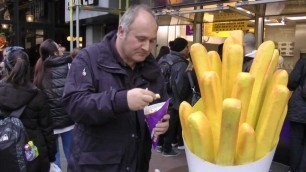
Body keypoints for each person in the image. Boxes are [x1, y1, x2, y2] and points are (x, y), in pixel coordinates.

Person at [62, 4, 170, 172]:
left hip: (137, 163)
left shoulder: (152, 68)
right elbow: (74, 105)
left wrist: (161, 122)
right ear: (121, 31)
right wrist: (121, 100)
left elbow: (160, 104)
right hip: (95, 166)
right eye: (141, 39)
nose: (147, 48)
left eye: (151, 41)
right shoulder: (89, 58)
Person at [0, 49, 56, 171]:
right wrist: (51, 157)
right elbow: (47, 130)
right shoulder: (38, 95)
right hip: (33, 154)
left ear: (7, 67)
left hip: (4, 152)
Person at [33, 39, 73, 169]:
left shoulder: (39, 67)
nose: (61, 48)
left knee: (54, 159)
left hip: (49, 123)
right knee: (72, 156)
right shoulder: (69, 66)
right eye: (59, 46)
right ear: (55, 51)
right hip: (69, 120)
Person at [158, 37, 191, 156]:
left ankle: (160, 145)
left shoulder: (163, 58)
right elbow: (180, 85)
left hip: (161, 96)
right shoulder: (181, 63)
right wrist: (181, 101)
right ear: (182, 48)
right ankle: (167, 149)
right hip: (174, 99)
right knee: (171, 124)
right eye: (187, 46)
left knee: (162, 120)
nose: (188, 49)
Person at [287, 56, 306, 172]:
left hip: (299, 109)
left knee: (296, 141)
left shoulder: (304, 61)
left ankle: (293, 169)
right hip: (299, 110)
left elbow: (291, 83)